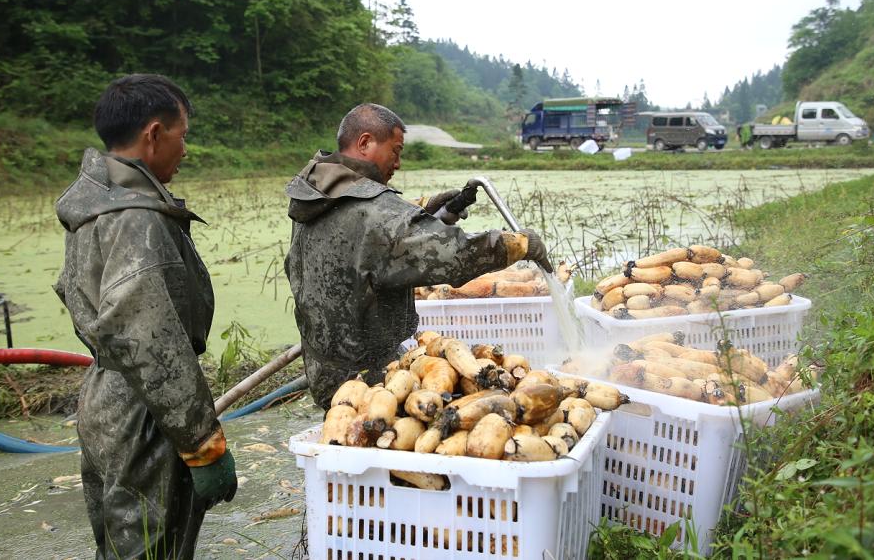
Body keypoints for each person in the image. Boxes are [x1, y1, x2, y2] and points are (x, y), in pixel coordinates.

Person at [54, 74, 236, 559]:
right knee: (152, 549)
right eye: (183, 134)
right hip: (145, 413)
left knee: (122, 543)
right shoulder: (136, 219)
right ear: (154, 133)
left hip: (107, 398)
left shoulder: (95, 204)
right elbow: (151, 343)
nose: (186, 148)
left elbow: (71, 291)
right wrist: (203, 445)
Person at [284, 103, 553, 407]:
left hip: (323, 365)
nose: (397, 163)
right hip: (365, 379)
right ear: (365, 143)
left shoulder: (316, 193)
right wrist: (518, 244)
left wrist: (423, 209)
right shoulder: (376, 215)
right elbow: (454, 255)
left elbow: (361, 232)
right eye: (395, 151)